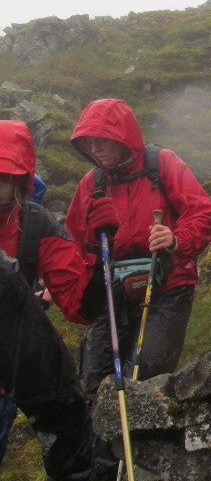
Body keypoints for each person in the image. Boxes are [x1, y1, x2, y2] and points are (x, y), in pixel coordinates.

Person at [66, 98, 211, 479]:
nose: (95, 148)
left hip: (169, 284)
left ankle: (146, 467)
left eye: (102, 139)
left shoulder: (161, 164)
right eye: (88, 142)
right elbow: (75, 244)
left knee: (148, 373)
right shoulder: (92, 184)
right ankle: (104, 470)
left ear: (123, 136)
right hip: (112, 292)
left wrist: (176, 237)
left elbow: (203, 213)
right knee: (97, 380)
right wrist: (69, 279)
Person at [0, 119, 102, 480]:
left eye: (2, 175)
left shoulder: (36, 227)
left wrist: (99, 248)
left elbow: (79, 307)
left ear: (20, 180)